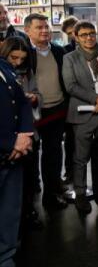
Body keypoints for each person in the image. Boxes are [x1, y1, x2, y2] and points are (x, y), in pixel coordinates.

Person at [62, 21, 98, 214]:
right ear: (76, 37)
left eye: (92, 33)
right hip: (83, 115)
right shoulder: (70, 58)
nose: (89, 37)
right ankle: (80, 194)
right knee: (81, 158)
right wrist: (96, 99)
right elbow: (71, 86)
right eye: (84, 34)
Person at [23, 13, 68, 211]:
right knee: (30, 157)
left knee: (53, 155)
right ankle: (30, 201)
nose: (44, 30)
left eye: (46, 27)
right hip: (32, 113)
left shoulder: (59, 51)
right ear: (27, 31)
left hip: (56, 110)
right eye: (39, 27)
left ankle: (51, 195)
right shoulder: (24, 53)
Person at [0, 37, 44, 230]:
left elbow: (33, 97)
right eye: (14, 57)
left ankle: (28, 213)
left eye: (22, 59)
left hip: (27, 138)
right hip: (8, 141)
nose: (18, 62)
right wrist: (11, 142)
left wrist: (34, 98)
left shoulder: (26, 72)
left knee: (28, 180)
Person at [0, 57, 34, 267]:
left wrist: (24, 133)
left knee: (9, 213)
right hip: (9, 147)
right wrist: (10, 142)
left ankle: (5, 257)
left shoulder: (3, 65)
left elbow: (22, 102)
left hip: (12, 158)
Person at [60, 15, 79, 184]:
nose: (73, 36)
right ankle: (70, 174)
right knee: (71, 141)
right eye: (69, 33)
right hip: (72, 102)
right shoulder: (65, 51)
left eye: (74, 31)